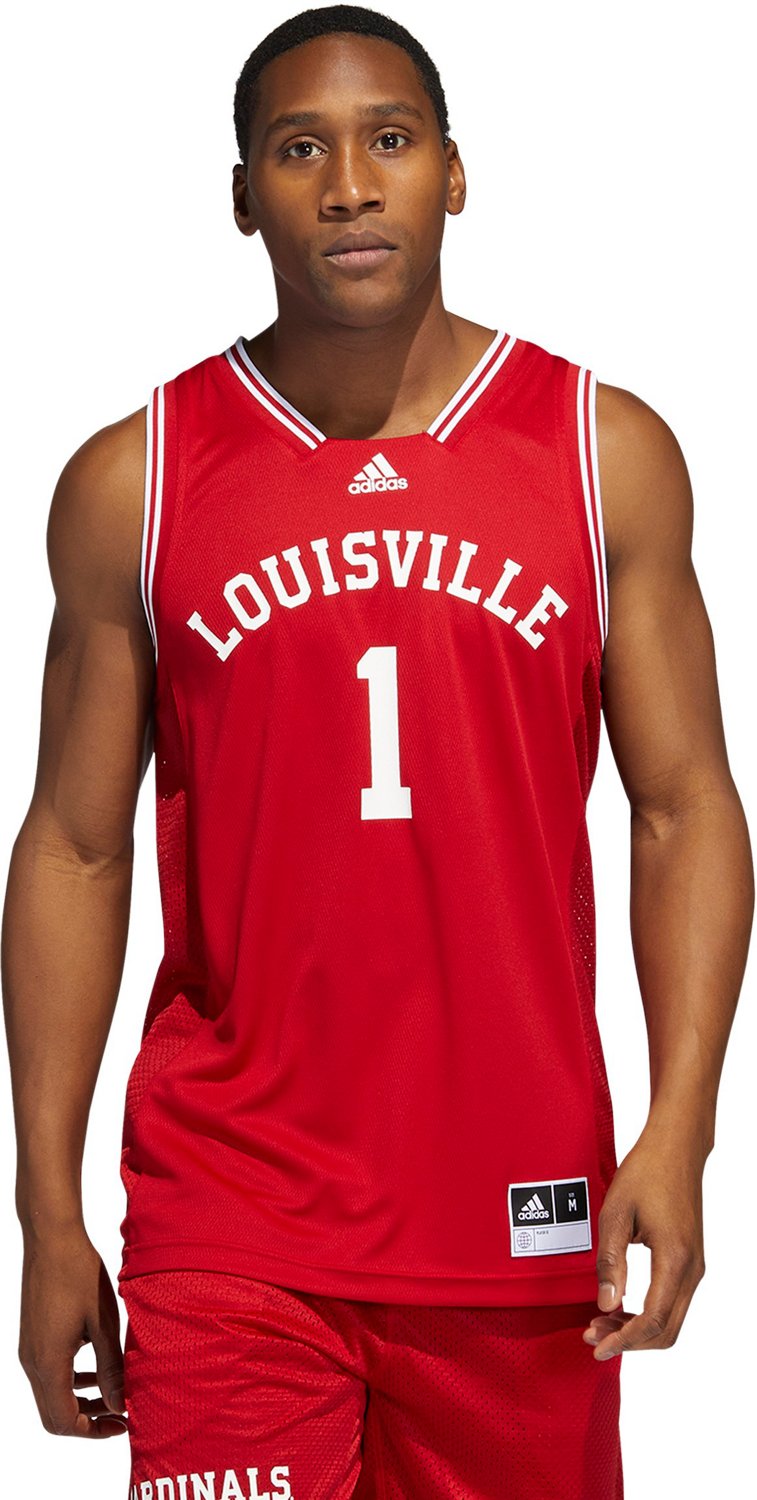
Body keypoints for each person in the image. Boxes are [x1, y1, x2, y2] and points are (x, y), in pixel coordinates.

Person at [3, 4, 752, 1497]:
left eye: (389, 141)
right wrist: (48, 1212)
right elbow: (75, 848)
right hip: (230, 1216)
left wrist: (681, 1128)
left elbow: (682, 808)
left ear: (453, 173)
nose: (349, 186)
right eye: (301, 150)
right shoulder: (134, 483)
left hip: (522, 1212)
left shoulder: (600, 454)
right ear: (242, 196)